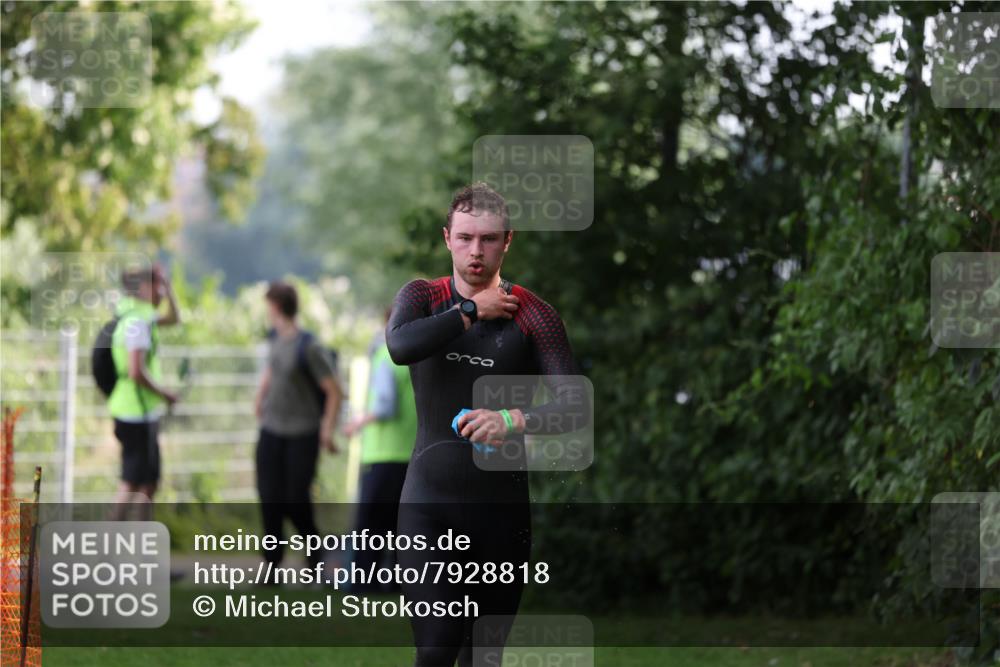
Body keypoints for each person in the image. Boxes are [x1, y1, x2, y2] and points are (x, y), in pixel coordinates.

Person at [386, 182, 588, 667]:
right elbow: (400, 346)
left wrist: (512, 419)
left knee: (483, 657)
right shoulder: (423, 296)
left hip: (501, 515)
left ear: (507, 241)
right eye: (465, 238)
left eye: (489, 239)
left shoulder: (534, 315)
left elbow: (576, 406)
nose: (476, 250)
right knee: (436, 646)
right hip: (427, 508)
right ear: (447, 238)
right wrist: (472, 311)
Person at [254, 281, 343, 575]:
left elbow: (334, 391)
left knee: (295, 499)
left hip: (302, 433)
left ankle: (316, 554)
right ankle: (272, 565)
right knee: (270, 498)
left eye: (268, 304)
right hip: (271, 430)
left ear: (276, 306)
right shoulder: (274, 338)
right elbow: (273, 368)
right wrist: (260, 396)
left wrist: (327, 430)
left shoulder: (309, 346)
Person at [343, 309, 417, 591]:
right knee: (403, 528)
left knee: (371, 527)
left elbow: (385, 405)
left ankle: (365, 584)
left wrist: (358, 421)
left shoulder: (387, 356)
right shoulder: (419, 358)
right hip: (410, 454)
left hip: (383, 454)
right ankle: (399, 584)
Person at [109, 263, 181, 521]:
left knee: (147, 484)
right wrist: (165, 394)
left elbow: (174, 318)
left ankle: (139, 539)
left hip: (136, 411)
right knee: (131, 484)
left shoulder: (135, 315)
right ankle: (108, 539)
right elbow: (136, 371)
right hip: (136, 413)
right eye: (158, 285)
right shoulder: (137, 323)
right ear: (144, 287)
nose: (161, 291)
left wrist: (169, 290)